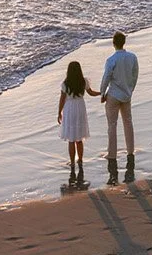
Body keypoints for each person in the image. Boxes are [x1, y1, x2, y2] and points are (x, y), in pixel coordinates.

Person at [100, 31, 139, 181]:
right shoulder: (132, 57)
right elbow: (135, 75)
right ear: (124, 42)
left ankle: (112, 154)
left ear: (113, 43)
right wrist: (130, 89)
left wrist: (103, 93)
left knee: (112, 125)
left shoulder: (111, 60)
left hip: (114, 95)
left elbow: (106, 78)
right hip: (126, 94)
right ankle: (130, 151)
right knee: (128, 123)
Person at [57, 59, 98, 185]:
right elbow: (91, 93)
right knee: (79, 137)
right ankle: (80, 159)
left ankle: (72, 161)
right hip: (80, 107)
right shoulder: (83, 81)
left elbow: (62, 99)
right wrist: (101, 93)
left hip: (69, 109)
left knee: (71, 138)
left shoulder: (65, 83)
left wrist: (59, 112)